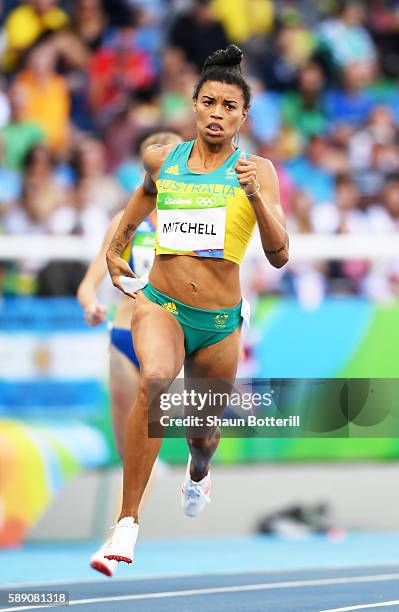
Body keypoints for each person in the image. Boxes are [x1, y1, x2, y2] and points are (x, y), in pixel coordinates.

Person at [104, 44, 289, 565]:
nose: (217, 113)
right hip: (159, 304)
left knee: (202, 436)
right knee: (155, 382)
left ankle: (198, 473)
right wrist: (115, 252)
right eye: (209, 102)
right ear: (195, 105)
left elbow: (279, 255)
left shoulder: (259, 171)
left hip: (218, 323)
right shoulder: (165, 159)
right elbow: (142, 196)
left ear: (242, 117)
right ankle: (126, 523)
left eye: (229, 107)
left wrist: (255, 197)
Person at [76, 131, 182, 576]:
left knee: (150, 438)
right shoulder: (127, 217)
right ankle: (127, 518)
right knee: (128, 447)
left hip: (167, 336)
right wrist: (89, 301)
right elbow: (92, 275)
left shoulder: (193, 216)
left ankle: (120, 528)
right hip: (123, 334)